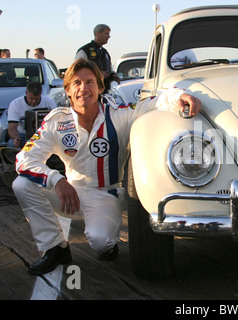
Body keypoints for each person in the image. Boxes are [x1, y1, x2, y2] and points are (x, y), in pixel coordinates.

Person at [12, 58, 201, 275]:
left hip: (105, 194)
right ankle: (55, 248)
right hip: (69, 194)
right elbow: (24, 159)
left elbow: (153, 102)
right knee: (22, 185)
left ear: (100, 87)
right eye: (77, 83)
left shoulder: (118, 114)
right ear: (68, 90)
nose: (84, 88)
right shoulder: (57, 120)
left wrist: (180, 96)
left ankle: (109, 242)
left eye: (90, 82)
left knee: (100, 241)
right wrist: (57, 180)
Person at [7, 82, 57, 148]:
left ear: (40, 94)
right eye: (31, 98)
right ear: (26, 93)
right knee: (11, 144)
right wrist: (16, 138)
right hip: (23, 135)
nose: (34, 101)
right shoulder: (15, 104)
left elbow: (56, 122)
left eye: (36, 99)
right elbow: (12, 128)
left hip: (44, 135)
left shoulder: (49, 103)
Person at [75, 24, 120, 92]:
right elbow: (77, 71)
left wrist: (113, 76)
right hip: (90, 92)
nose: (109, 36)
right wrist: (97, 75)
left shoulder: (105, 53)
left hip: (105, 92)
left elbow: (109, 70)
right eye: (106, 34)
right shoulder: (85, 50)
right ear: (98, 33)